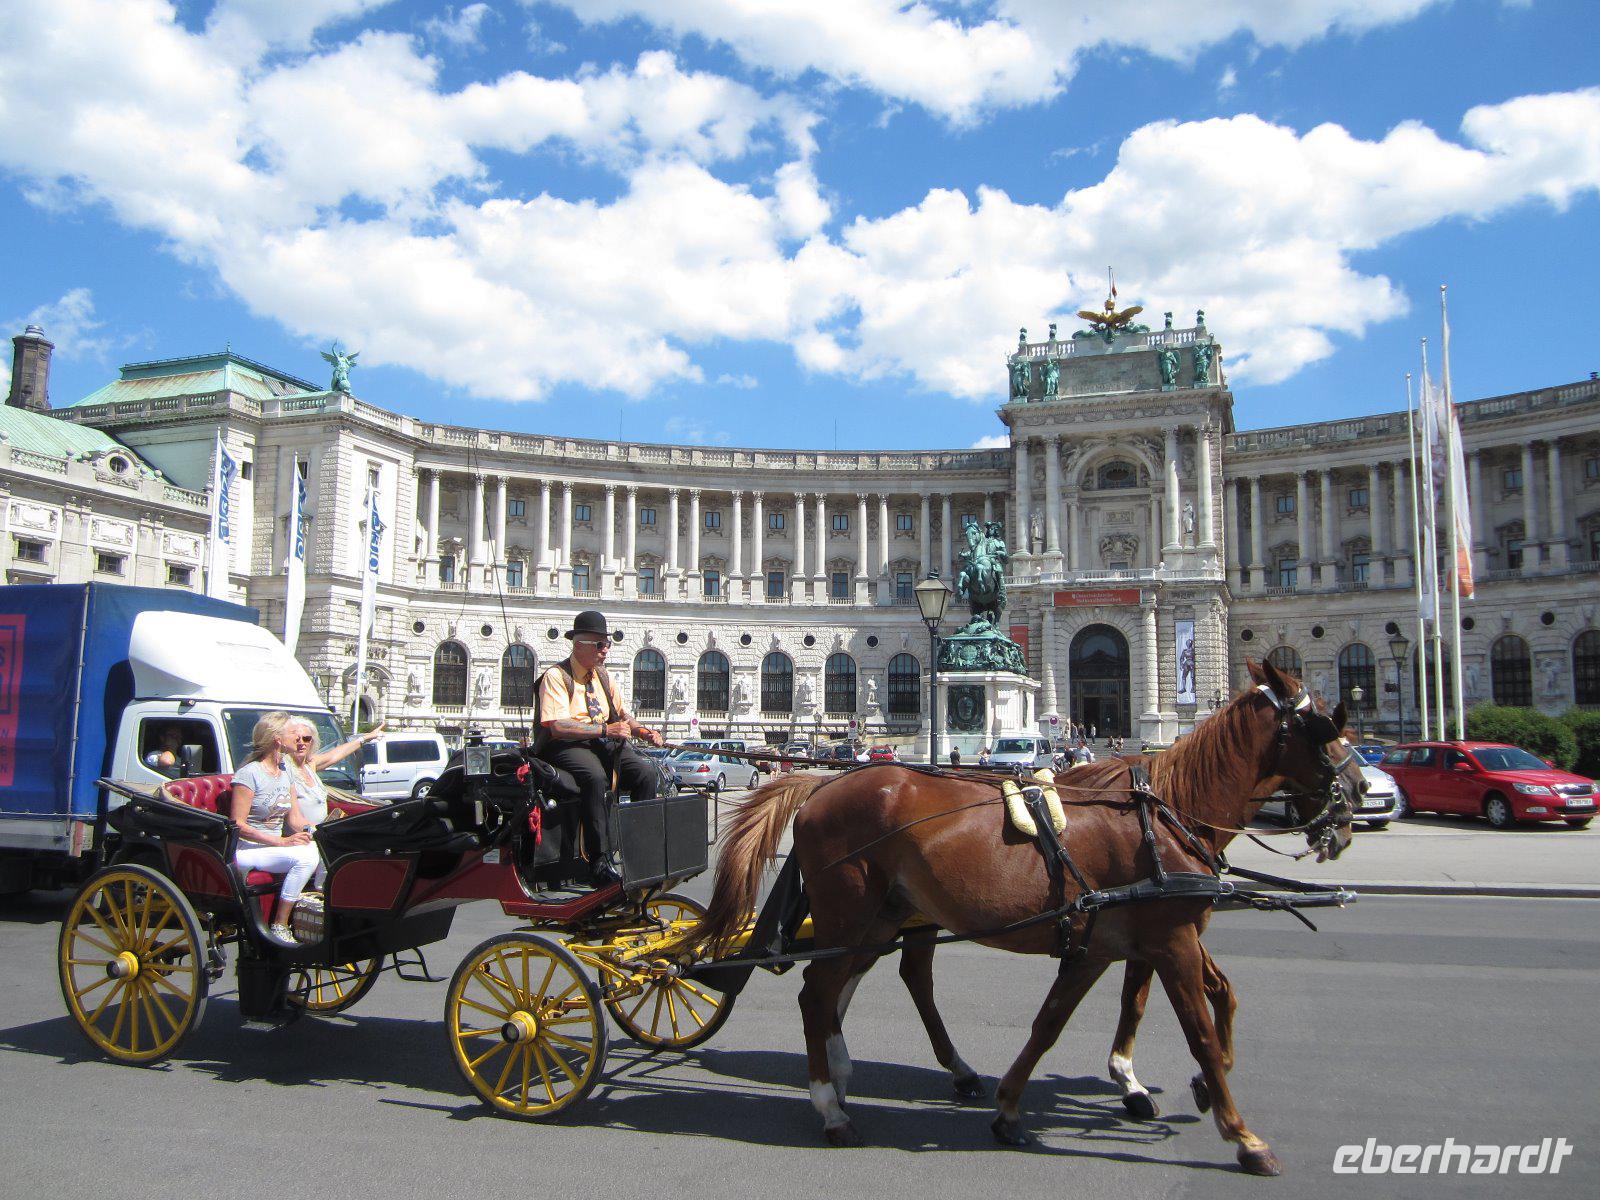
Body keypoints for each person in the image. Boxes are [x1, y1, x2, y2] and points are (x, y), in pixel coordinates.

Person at [535, 611, 664, 885]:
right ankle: (598, 860)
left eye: (607, 645)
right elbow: (557, 726)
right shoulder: (556, 676)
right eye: (599, 645)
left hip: (602, 741)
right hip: (566, 745)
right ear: (579, 644)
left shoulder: (602, 677)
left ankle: (638, 852)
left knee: (646, 773)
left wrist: (643, 732)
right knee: (595, 777)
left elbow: (622, 714)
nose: (605, 651)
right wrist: (606, 730)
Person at [230, 711, 323, 946]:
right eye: (294, 733)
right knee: (306, 857)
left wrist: (319, 832)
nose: (300, 738)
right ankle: (280, 924)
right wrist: (280, 842)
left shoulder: (285, 772)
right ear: (278, 739)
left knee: (320, 847)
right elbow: (237, 825)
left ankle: (316, 907)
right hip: (247, 851)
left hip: (272, 849)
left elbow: (294, 819)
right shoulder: (249, 774)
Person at [285, 718, 385, 830]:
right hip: (300, 838)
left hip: (318, 836)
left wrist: (365, 738)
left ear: (312, 742)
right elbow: (294, 820)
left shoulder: (310, 765)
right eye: (297, 739)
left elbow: (334, 755)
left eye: (306, 739)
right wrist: (320, 832)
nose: (301, 743)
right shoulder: (285, 769)